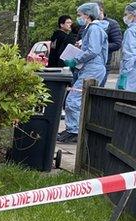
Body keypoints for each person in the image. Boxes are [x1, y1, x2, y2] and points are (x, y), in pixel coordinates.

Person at [58, 3, 109, 144]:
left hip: (93, 68)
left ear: (87, 15)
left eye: (80, 15)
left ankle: (73, 132)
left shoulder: (94, 30)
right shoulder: (91, 29)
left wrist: (76, 60)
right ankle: (74, 130)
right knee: (81, 101)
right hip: (90, 68)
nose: (78, 18)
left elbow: (93, 51)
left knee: (73, 100)